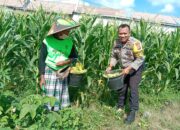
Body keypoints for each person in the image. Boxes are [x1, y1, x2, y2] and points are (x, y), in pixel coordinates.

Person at [106, 24, 145, 124]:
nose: (122, 35)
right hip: (124, 68)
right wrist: (110, 66)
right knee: (122, 87)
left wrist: (130, 68)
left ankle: (133, 111)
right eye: (120, 33)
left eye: (125, 33)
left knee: (133, 87)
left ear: (129, 33)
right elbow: (114, 55)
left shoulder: (135, 43)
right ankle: (120, 106)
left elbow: (140, 58)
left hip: (135, 68)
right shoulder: (116, 42)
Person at [39, 17, 79, 111]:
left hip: (63, 71)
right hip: (49, 70)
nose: (68, 33)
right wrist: (42, 77)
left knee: (60, 92)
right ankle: (47, 112)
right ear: (59, 31)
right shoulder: (47, 41)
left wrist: (66, 62)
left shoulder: (69, 42)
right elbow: (41, 59)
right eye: (67, 31)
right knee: (49, 93)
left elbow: (75, 58)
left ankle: (57, 112)